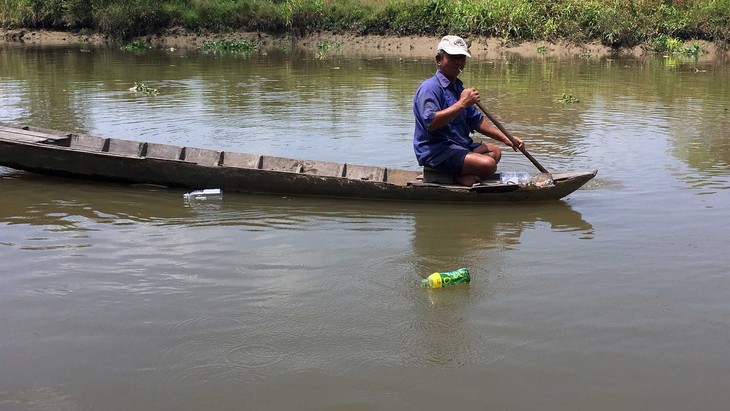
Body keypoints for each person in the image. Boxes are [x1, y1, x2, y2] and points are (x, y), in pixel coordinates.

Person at [413, 35, 524, 186]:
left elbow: (476, 121)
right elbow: (431, 123)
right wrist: (462, 103)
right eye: (453, 57)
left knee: (495, 152)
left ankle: (457, 175)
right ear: (439, 60)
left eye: (461, 58)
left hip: (458, 146)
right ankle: (452, 176)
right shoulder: (429, 88)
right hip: (437, 151)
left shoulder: (458, 88)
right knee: (488, 165)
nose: (458, 62)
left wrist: (507, 138)